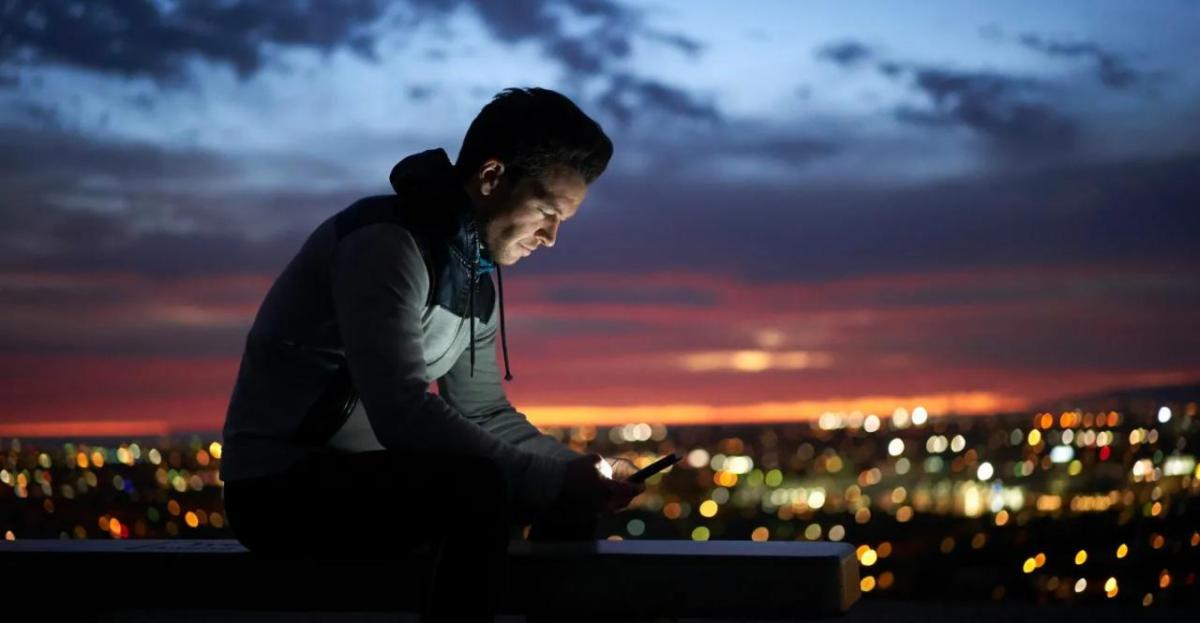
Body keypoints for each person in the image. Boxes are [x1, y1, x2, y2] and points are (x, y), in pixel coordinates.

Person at [218, 87, 644, 621]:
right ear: (491, 178)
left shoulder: (476, 281)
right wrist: (550, 480)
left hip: (373, 480)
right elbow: (401, 412)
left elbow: (486, 413)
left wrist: (577, 473)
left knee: (569, 497)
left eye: (564, 221)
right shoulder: (384, 244)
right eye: (546, 211)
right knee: (477, 488)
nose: (551, 237)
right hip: (278, 488)